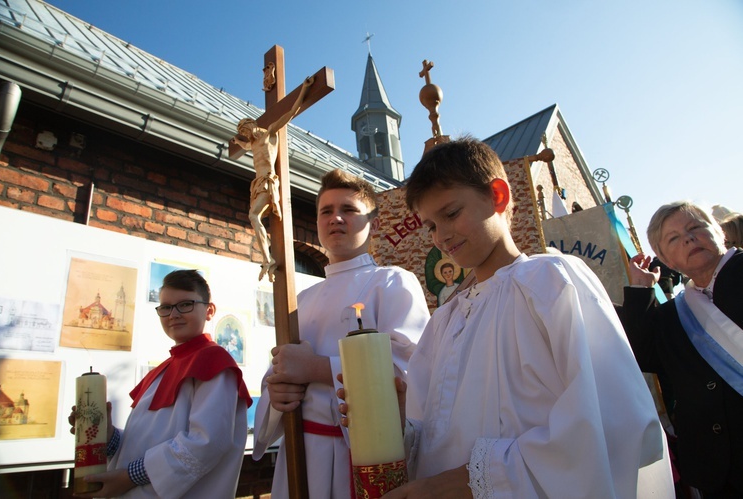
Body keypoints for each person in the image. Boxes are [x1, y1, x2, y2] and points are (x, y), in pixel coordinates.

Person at [366, 137, 666, 497]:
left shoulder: (551, 281)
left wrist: (462, 483)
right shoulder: (442, 323)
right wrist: (394, 420)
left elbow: (612, 423)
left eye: (450, 214)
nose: (441, 236)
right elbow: (434, 442)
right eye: (430, 226)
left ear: (497, 196)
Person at [252, 169, 429, 498]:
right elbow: (282, 370)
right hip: (296, 457)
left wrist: (316, 368)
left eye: (348, 210)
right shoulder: (299, 299)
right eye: (326, 211)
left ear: (373, 224)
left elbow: (407, 373)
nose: (335, 218)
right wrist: (276, 396)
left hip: (357, 456)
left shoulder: (392, 282)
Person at [70, 270, 252, 498]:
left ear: (209, 310)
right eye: (165, 307)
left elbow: (207, 442)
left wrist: (128, 477)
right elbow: (138, 446)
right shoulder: (161, 371)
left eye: (185, 304)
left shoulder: (214, 361)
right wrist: (106, 436)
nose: (173, 314)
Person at [623, 201, 743, 497]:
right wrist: (640, 289)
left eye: (695, 228)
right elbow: (642, 353)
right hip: (717, 473)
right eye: (673, 238)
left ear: (719, 233)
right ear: (668, 261)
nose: (688, 238)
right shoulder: (674, 315)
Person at [232, 76, 314, 282]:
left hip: (269, 181)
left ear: (252, 126)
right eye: (241, 132)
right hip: (257, 184)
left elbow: (291, 112)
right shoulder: (250, 144)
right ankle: (267, 258)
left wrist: (304, 89)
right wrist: (236, 140)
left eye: (244, 130)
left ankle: (268, 258)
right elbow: (241, 146)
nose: (243, 134)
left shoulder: (269, 133)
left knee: (254, 216)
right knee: (253, 217)